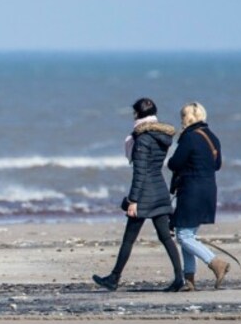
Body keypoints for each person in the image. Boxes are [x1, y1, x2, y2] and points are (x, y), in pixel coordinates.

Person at [93, 98, 184, 292]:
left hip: (145, 194)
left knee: (129, 239)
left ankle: (114, 278)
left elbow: (140, 172)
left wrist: (133, 200)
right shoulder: (161, 135)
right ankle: (179, 278)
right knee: (166, 238)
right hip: (159, 189)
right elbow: (152, 167)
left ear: (137, 114)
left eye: (133, 113)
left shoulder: (142, 138)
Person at [168, 102, 229, 291]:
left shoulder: (190, 138)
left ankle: (215, 262)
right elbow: (217, 164)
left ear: (188, 119)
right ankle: (189, 280)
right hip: (208, 190)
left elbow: (174, 163)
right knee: (188, 235)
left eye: (182, 118)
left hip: (192, 190)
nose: (181, 122)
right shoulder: (212, 137)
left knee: (184, 236)